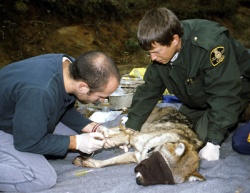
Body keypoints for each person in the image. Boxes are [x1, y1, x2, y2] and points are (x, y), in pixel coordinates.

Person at [125, 7, 250, 161]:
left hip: (237, 88)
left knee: (197, 137)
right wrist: (131, 127)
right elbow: (149, 90)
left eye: (156, 52)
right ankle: (228, 116)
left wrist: (213, 142)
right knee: (177, 127)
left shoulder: (210, 44)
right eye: (149, 53)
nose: (152, 58)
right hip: (199, 97)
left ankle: (242, 110)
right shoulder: (163, 43)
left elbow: (225, 93)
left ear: (175, 40)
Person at [0, 51, 120, 192]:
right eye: (101, 96)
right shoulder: (40, 91)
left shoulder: (71, 68)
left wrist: (93, 127)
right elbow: (28, 142)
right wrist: (77, 142)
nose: (103, 101)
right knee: (40, 178)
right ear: (83, 87)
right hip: (6, 126)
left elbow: (61, 106)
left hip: (23, 113)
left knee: (81, 141)